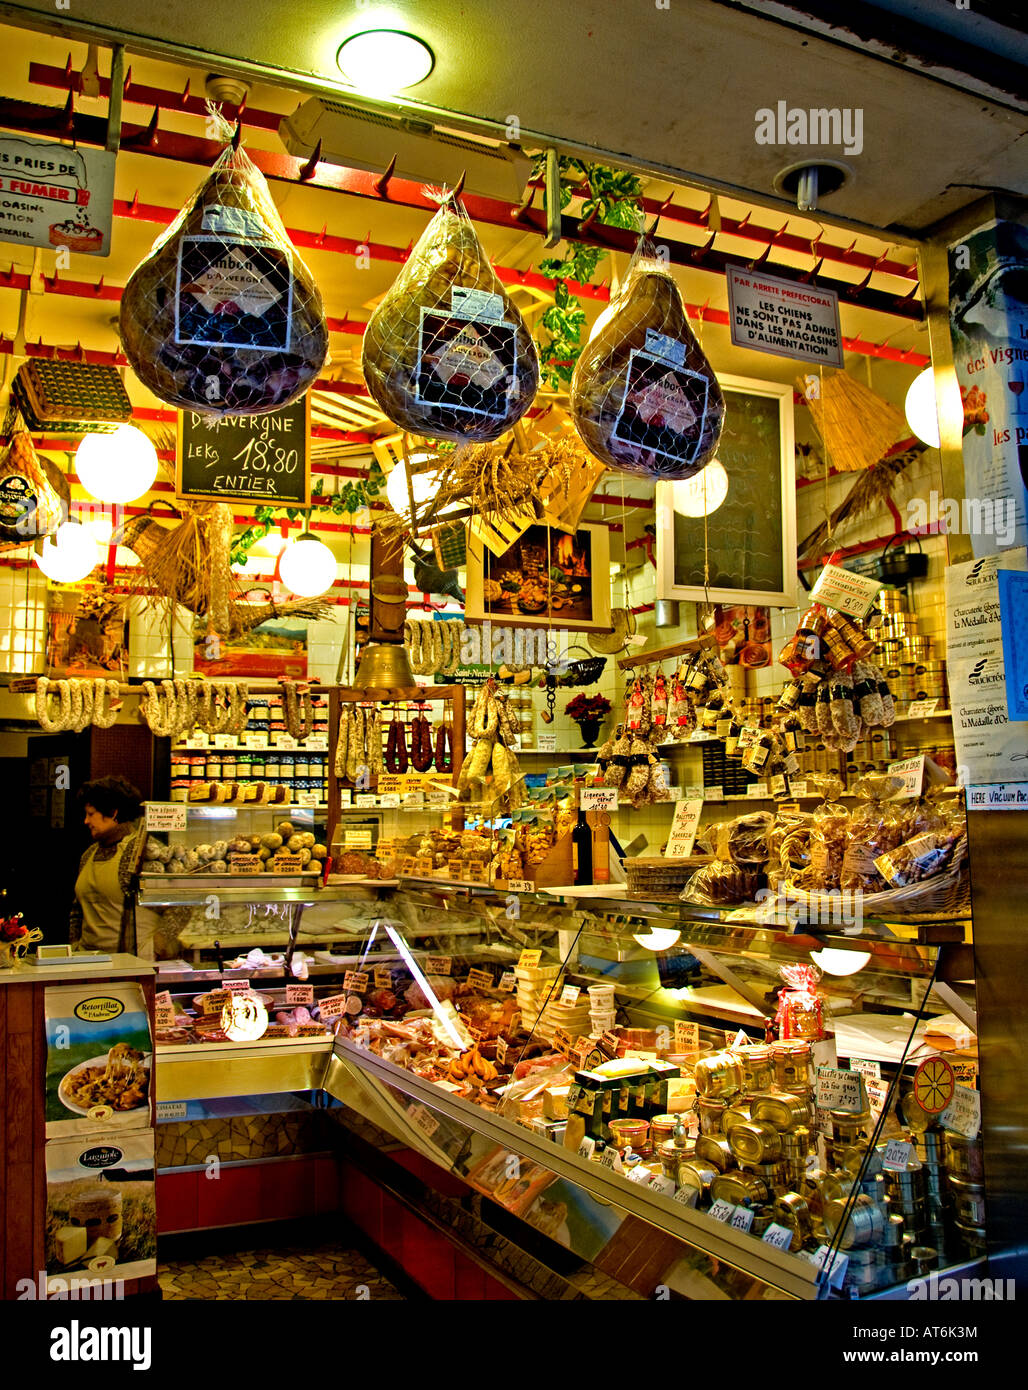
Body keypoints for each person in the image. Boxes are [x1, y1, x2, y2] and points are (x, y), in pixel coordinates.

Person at [70, 776, 148, 954]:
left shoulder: (141, 851)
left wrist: (158, 947)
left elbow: (179, 905)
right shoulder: (88, 854)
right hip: (86, 960)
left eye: (91, 814)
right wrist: (74, 947)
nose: (86, 821)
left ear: (113, 813)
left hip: (127, 964)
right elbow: (77, 910)